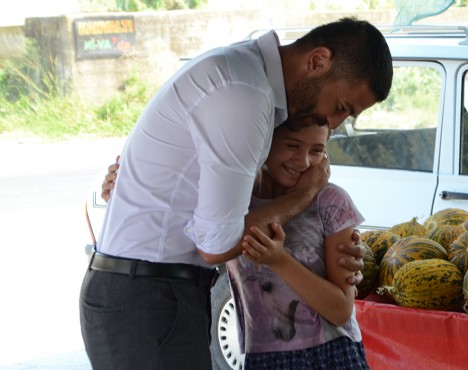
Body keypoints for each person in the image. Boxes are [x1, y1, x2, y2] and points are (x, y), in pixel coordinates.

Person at [79, 17, 393, 370]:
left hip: (151, 292)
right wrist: (303, 196)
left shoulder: (244, 75)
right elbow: (216, 244)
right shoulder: (246, 92)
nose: (333, 123)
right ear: (318, 61)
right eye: (340, 106)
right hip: (147, 298)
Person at [232, 122, 368, 369]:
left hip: (331, 356)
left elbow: (340, 310)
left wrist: (279, 261)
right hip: (263, 358)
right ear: (265, 141)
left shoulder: (331, 202)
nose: (303, 161)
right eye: (292, 145)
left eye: (316, 150)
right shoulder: (236, 205)